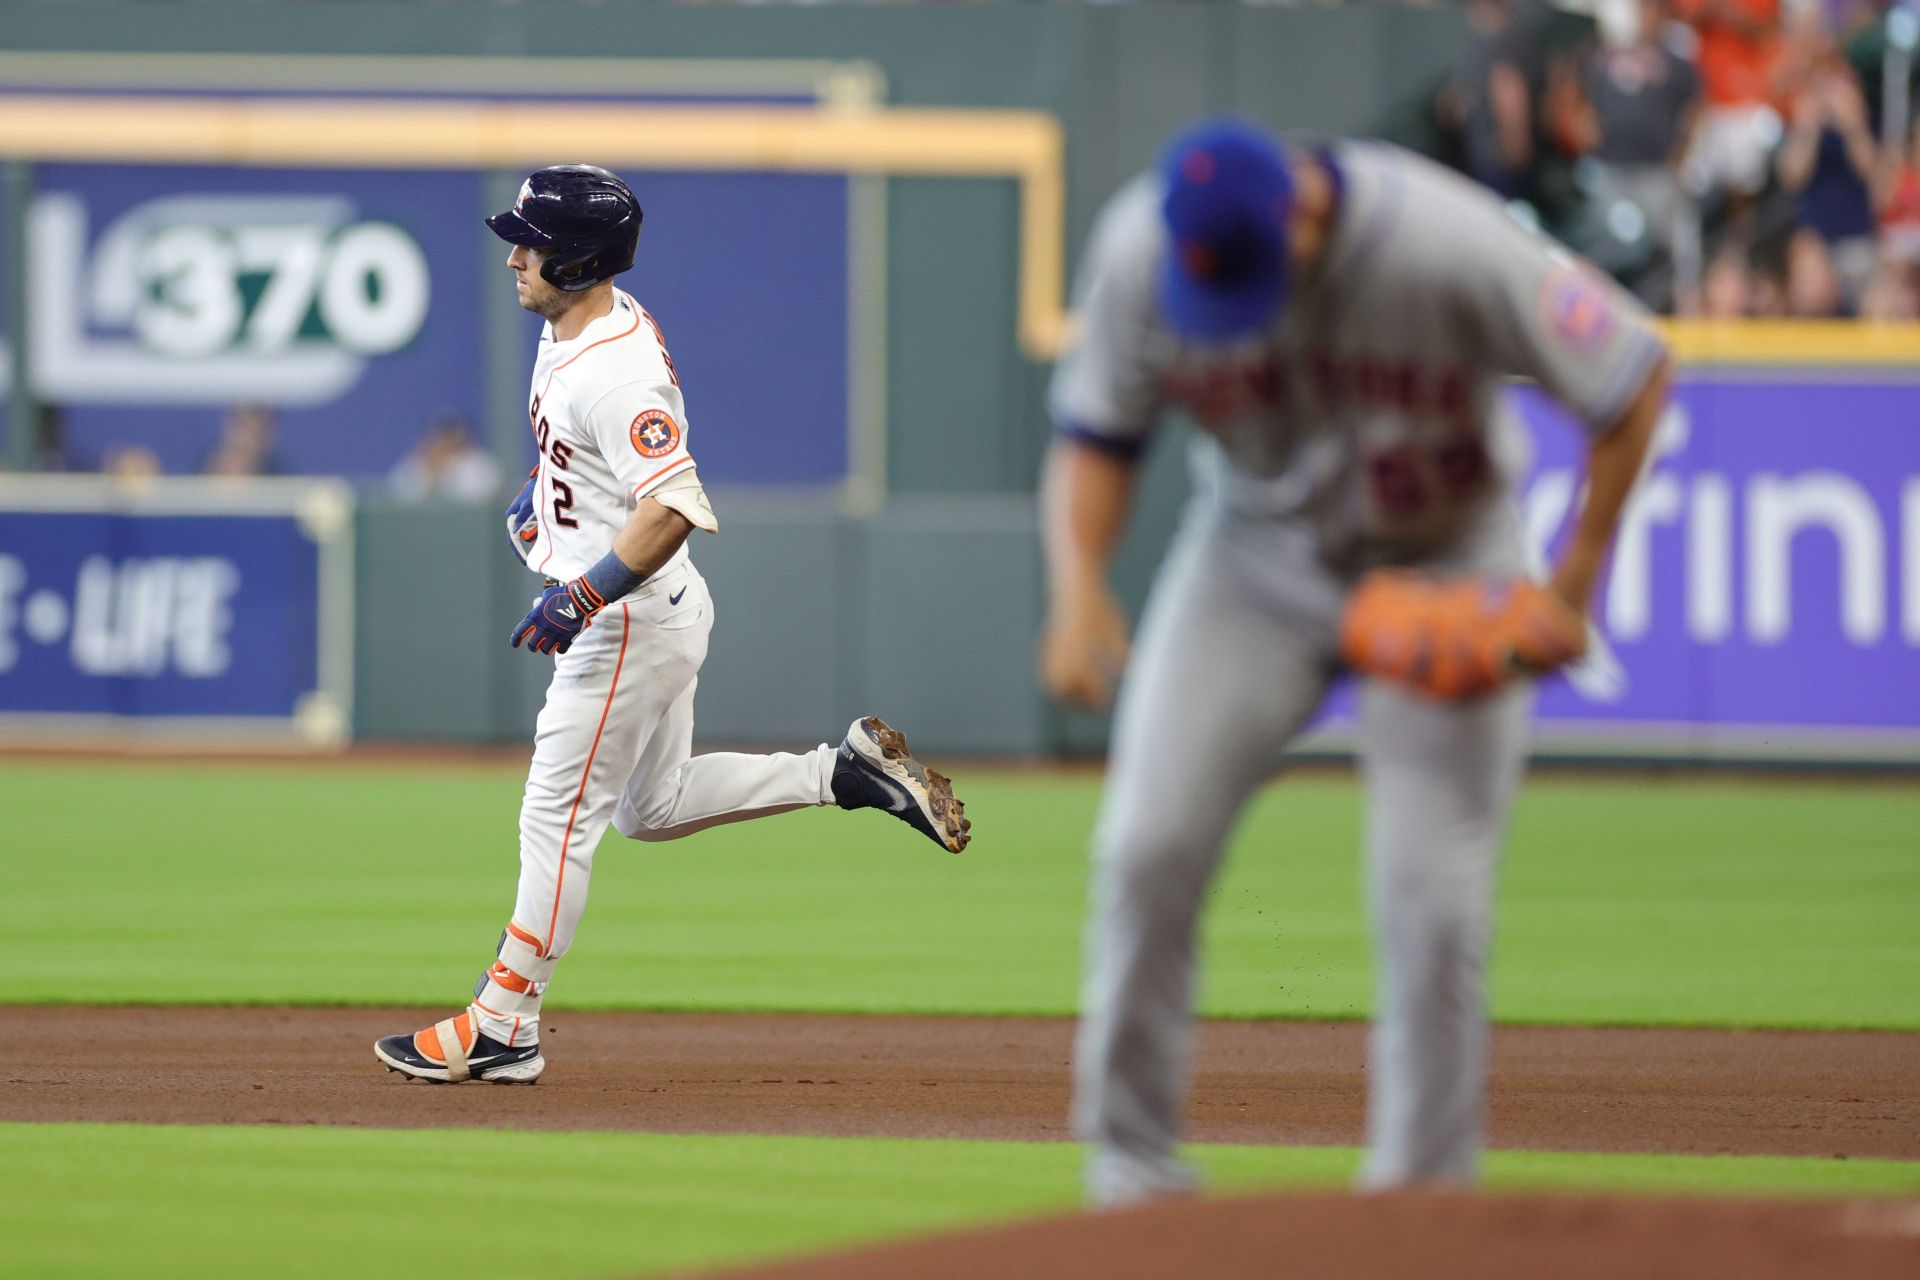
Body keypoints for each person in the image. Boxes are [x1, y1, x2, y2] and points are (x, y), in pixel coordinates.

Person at [1041, 119, 1669, 1205]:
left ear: (1301, 211)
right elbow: (1098, 436)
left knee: (1431, 899)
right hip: (1252, 563)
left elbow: (1631, 372)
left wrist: (1571, 588)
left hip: (1445, 556)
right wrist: (1078, 583)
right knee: (1147, 842)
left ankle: (1420, 1202)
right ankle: (1130, 1170)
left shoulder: (1445, 241)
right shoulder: (1146, 248)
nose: (1224, 295)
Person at [375, 165, 970, 1085]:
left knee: (555, 820)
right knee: (648, 812)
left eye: (529, 244)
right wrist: (551, 501)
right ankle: (838, 773)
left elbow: (672, 505)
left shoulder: (614, 375)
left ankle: (503, 1024)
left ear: (575, 261)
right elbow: (592, 465)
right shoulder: (584, 321)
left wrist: (582, 592)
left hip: (627, 623)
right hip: (659, 612)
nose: (514, 258)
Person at [389, 410, 503, 502]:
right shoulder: (416, 464)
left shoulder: (480, 463)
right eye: (441, 435)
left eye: (451, 434)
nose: (446, 442)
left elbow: (481, 495)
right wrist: (431, 474)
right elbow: (400, 496)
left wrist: (449, 470)